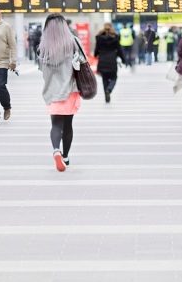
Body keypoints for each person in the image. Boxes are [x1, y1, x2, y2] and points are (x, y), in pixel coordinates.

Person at [38, 13, 85, 171]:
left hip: (52, 90)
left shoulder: (44, 46)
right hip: (70, 89)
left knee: (56, 124)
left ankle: (56, 151)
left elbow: (41, 68)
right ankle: (65, 156)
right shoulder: (73, 42)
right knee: (68, 124)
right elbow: (84, 61)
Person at [94, 22, 125, 103]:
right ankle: (109, 89)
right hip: (112, 60)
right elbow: (119, 50)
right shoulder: (115, 37)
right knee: (114, 77)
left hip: (103, 59)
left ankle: (106, 94)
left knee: (104, 78)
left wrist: (96, 54)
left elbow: (97, 50)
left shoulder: (99, 37)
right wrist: (123, 59)